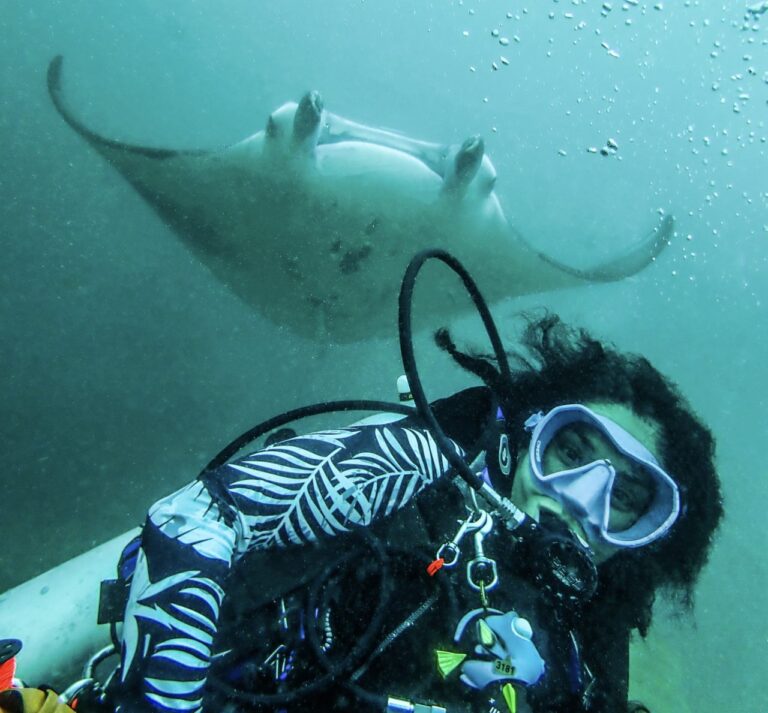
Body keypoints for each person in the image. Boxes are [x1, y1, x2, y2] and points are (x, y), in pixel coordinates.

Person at [110, 315, 723, 713]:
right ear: (526, 434)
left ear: (646, 538)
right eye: (571, 451)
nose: (582, 501)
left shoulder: (587, 656)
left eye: (627, 499)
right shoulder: (418, 467)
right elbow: (195, 517)